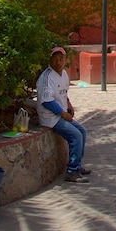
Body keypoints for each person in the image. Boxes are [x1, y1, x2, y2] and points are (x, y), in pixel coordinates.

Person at [36, 47, 90, 183]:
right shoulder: (47, 77)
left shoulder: (64, 74)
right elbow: (47, 102)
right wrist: (63, 114)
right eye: (55, 59)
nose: (58, 62)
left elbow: (64, 94)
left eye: (61, 59)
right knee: (76, 136)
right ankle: (72, 172)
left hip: (61, 114)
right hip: (51, 117)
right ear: (50, 60)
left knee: (82, 131)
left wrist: (69, 105)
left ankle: (77, 164)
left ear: (65, 60)